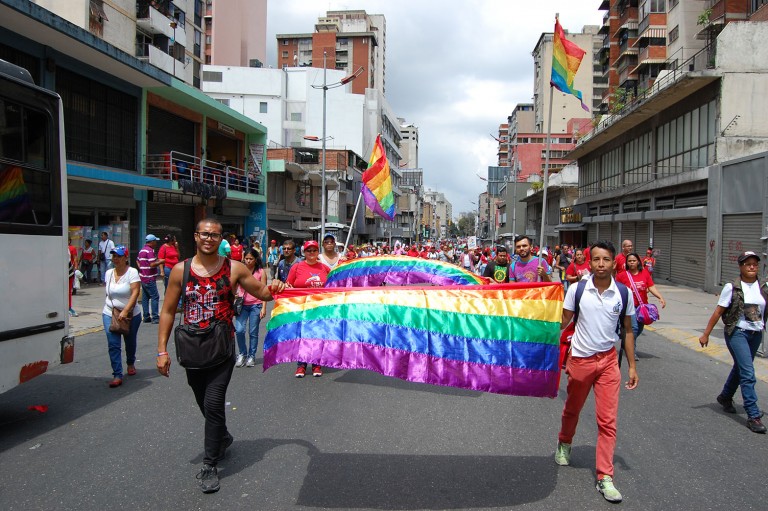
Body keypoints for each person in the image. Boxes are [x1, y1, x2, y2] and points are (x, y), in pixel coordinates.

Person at [156, 219, 284, 493]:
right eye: (205, 234)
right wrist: (162, 350)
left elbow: (262, 292)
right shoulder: (181, 270)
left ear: (220, 239)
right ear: (196, 236)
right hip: (192, 349)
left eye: (214, 235)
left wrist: (274, 286)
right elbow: (167, 311)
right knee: (203, 402)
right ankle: (222, 436)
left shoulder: (234, 268)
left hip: (221, 348)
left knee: (213, 403)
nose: (209, 239)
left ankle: (209, 464)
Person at [555, 241, 637, 503]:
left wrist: (632, 366)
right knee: (573, 409)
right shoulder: (577, 290)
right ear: (589, 263)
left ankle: (605, 476)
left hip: (608, 363)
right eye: (597, 259)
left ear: (614, 263)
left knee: (607, 421)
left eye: (606, 260)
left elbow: (627, 330)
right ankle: (565, 442)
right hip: (581, 360)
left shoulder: (623, 293)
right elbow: (563, 321)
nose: (601, 264)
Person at [699, 250, 767, 434]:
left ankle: (725, 396)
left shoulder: (763, 286)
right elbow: (718, 311)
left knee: (741, 367)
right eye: (748, 264)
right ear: (740, 267)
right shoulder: (732, 287)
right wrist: (706, 334)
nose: (752, 267)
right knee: (748, 373)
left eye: (755, 264)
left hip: (756, 334)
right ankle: (753, 415)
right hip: (737, 333)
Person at [286, 240, 331, 378]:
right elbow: (288, 285)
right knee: (303, 336)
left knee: (317, 336)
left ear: (318, 252)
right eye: (308, 250)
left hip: (319, 308)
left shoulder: (324, 268)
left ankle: (316, 364)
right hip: (302, 307)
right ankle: (301, 365)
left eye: (314, 250)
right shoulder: (296, 267)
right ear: (304, 252)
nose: (311, 253)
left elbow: (333, 286)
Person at [103, 245, 141, 388]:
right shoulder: (108, 273)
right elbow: (108, 294)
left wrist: (125, 311)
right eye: (114, 256)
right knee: (113, 344)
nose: (116, 259)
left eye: (119, 256)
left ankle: (130, 362)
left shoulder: (132, 272)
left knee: (130, 341)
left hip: (131, 315)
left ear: (126, 257)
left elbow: (135, 292)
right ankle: (117, 374)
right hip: (110, 313)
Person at [616, 252, 666, 359]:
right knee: (633, 328)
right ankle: (631, 351)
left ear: (638, 262)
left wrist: (660, 297)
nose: (632, 263)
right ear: (627, 263)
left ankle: (627, 340)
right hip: (629, 307)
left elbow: (651, 287)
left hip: (642, 307)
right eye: (629, 261)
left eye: (634, 261)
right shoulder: (622, 276)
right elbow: (617, 291)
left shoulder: (644, 273)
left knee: (639, 328)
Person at [234, 248, 267, 368]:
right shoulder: (239, 271)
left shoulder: (261, 272)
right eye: (246, 258)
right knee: (239, 330)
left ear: (255, 259)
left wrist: (263, 307)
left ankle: (251, 355)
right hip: (242, 305)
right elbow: (234, 286)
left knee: (253, 332)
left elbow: (264, 291)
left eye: (251, 259)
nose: (248, 261)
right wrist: (234, 295)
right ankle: (242, 353)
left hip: (256, 305)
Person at [137, 234, 163, 324]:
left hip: (143, 277)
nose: (156, 243)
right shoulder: (149, 251)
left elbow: (138, 261)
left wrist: (142, 269)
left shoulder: (142, 250)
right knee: (155, 297)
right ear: (151, 242)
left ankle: (146, 316)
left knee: (145, 298)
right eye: (155, 241)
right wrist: (161, 261)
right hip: (150, 278)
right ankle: (155, 317)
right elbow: (152, 264)